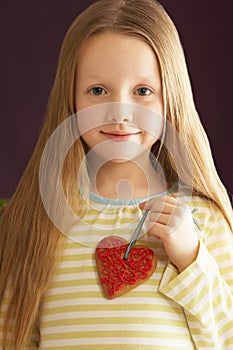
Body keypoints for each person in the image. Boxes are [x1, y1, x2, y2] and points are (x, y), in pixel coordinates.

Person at [0, 0, 232, 348]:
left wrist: (191, 259)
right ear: (71, 98)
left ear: (171, 99)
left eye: (142, 91)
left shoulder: (205, 222)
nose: (120, 112)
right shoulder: (35, 221)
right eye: (97, 91)